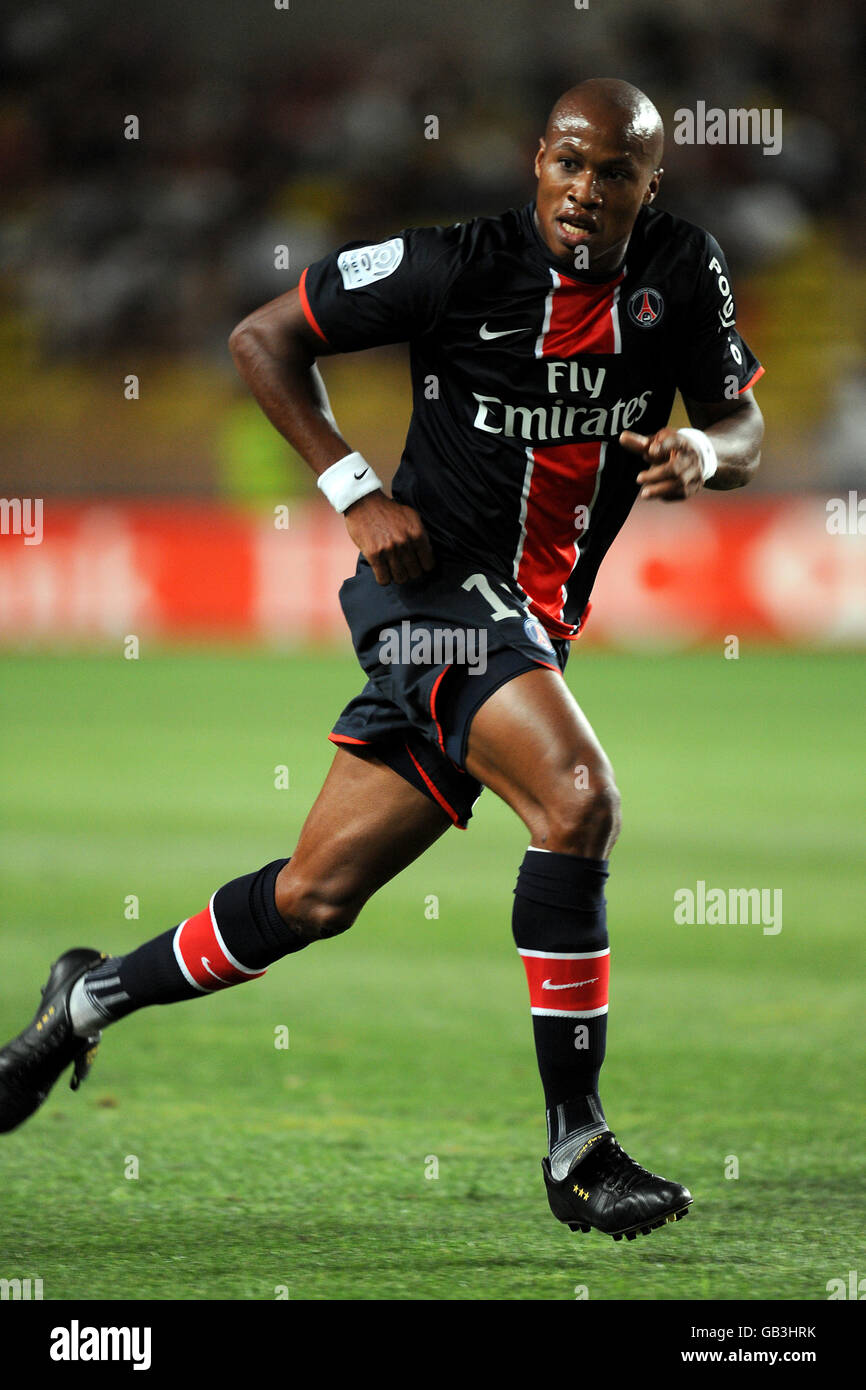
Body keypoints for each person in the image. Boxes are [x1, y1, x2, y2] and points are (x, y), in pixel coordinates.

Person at [0, 78, 763, 1243]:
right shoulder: (455, 263)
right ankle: (576, 1145)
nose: (584, 189)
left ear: (648, 186)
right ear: (536, 163)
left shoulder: (681, 270)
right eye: (567, 162)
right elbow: (263, 337)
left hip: (529, 620)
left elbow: (739, 418)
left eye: (614, 172)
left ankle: (85, 997)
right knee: (577, 798)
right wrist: (354, 489)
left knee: (313, 895)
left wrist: (707, 447)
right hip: (427, 594)